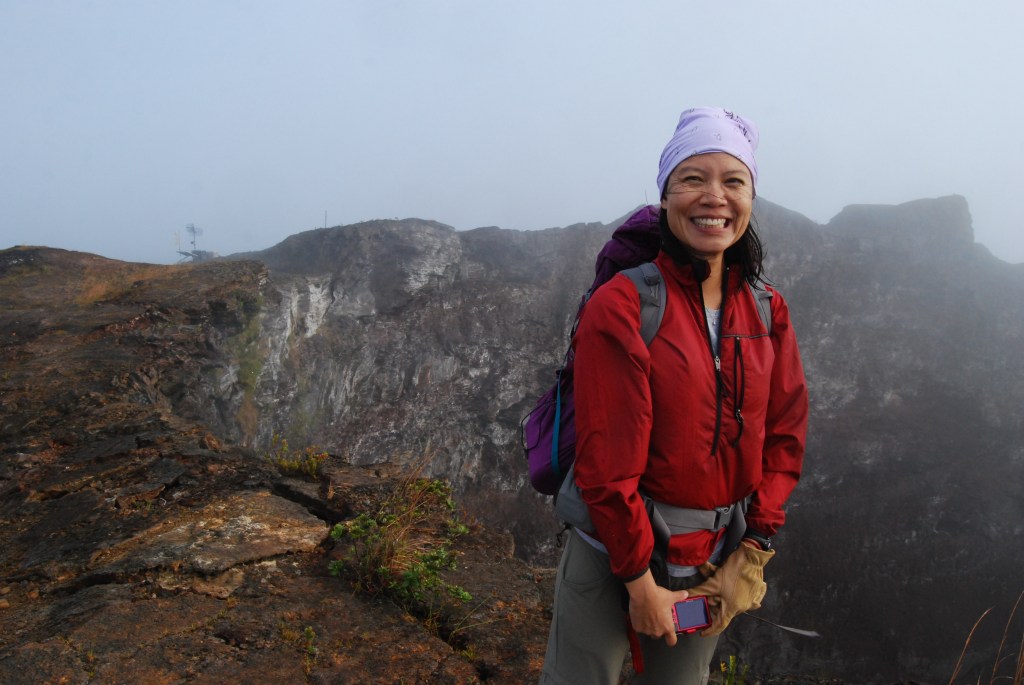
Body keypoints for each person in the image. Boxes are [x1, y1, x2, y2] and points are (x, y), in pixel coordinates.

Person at [539, 107, 809, 685]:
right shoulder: (625, 304)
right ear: (665, 197)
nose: (714, 196)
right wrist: (639, 582)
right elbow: (608, 465)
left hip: (709, 562)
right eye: (692, 179)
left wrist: (752, 553)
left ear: (751, 200)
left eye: (733, 181)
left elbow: (784, 436)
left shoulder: (767, 310)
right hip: (612, 553)